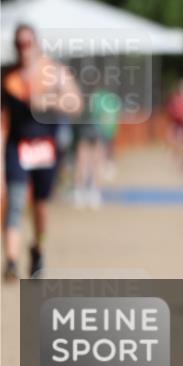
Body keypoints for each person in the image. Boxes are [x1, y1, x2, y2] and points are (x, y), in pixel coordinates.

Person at [1, 24, 82, 280]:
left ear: (36, 43)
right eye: (19, 44)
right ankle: (12, 261)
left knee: (40, 206)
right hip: (17, 146)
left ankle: (38, 247)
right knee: (14, 202)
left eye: (27, 43)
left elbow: (76, 104)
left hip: (45, 147)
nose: (23, 49)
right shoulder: (8, 78)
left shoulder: (54, 72)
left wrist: (47, 100)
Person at [73, 85, 121, 209]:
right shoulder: (107, 98)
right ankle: (94, 192)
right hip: (98, 132)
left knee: (82, 161)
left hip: (85, 130)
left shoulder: (85, 95)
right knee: (96, 162)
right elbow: (109, 119)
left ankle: (80, 192)